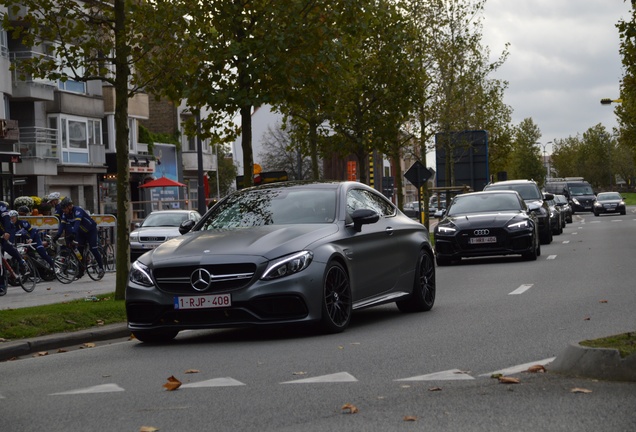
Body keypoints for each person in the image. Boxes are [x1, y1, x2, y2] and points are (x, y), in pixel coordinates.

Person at [54, 197, 104, 277]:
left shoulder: (78, 210)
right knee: (78, 251)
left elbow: (77, 222)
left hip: (91, 231)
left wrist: (73, 233)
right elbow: (62, 225)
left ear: (69, 206)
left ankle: (101, 268)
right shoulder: (65, 214)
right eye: (62, 209)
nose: (63, 210)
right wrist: (57, 235)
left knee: (93, 248)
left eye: (64, 208)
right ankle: (81, 270)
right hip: (81, 233)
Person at [0, 201, 29, 275]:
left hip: (8, 229)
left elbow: (6, 219)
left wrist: (7, 232)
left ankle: (21, 262)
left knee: (6, 246)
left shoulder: (1, 206)